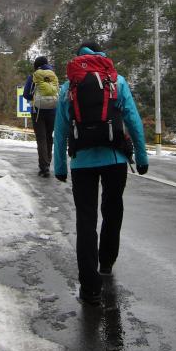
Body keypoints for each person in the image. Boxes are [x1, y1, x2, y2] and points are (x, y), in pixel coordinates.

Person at [53, 41, 149, 305]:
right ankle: (106, 262)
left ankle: (90, 286)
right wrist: (141, 156)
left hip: (82, 162)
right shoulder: (117, 82)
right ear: (102, 56)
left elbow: (60, 131)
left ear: (78, 59)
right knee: (112, 208)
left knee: (85, 220)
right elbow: (133, 121)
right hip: (115, 158)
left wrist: (59, 166)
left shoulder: (68, 88)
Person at [23, 55, 59, 177]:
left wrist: (34, 97)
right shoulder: (53, 76)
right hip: (52, 110)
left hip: (37, 112)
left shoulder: (33, 76)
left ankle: (44, 167)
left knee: (41, 138)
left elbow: (26, 94)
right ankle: (48, 163)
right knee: (49, 137)